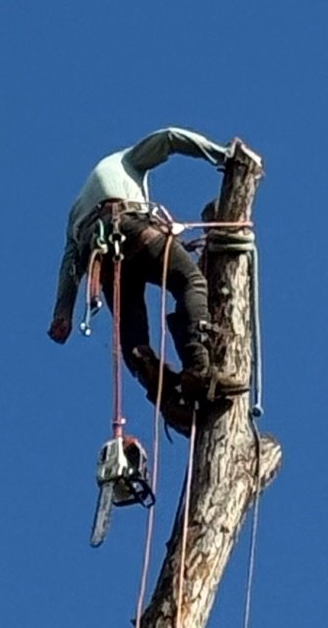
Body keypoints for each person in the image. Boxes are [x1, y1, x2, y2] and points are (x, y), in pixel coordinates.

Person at [48, 128, 233, 418]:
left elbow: (70, 264)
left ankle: (169, 398)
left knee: (135, 338)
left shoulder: (76, 212)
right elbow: (169, 137)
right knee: (191, 281)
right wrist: (222, 154)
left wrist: (62, 314)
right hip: (130, 228)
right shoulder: (124, 161)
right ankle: (199, 367)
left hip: (104, 259)